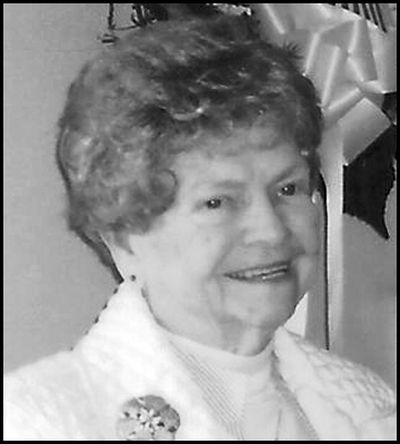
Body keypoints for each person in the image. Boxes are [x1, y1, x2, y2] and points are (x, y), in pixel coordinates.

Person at [4, 13, 395, 441]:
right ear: (125, 240)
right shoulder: (37, 421)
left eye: (287, 189)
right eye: (217, 202)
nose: (270, 231)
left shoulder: (370, 403)